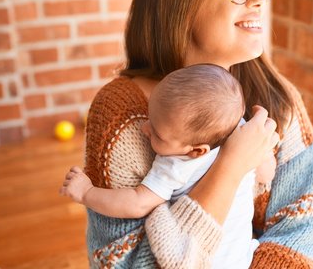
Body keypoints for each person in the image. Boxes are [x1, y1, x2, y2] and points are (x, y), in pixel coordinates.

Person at [80, 0, 313, 269]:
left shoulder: (277, 98)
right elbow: (120, 263)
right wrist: (230, 166)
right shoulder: (125, 116)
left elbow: (303, 227)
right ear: (177, 1)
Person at [60, 64, 276, 268]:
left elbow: (137, 203)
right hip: (241, 258)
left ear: (197, 150)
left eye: (157, 134)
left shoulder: (176, 163)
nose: (145, 128)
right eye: (150, 118)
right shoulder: (243, 132)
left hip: (204, 259)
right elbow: (266, 174)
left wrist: (86, 193)